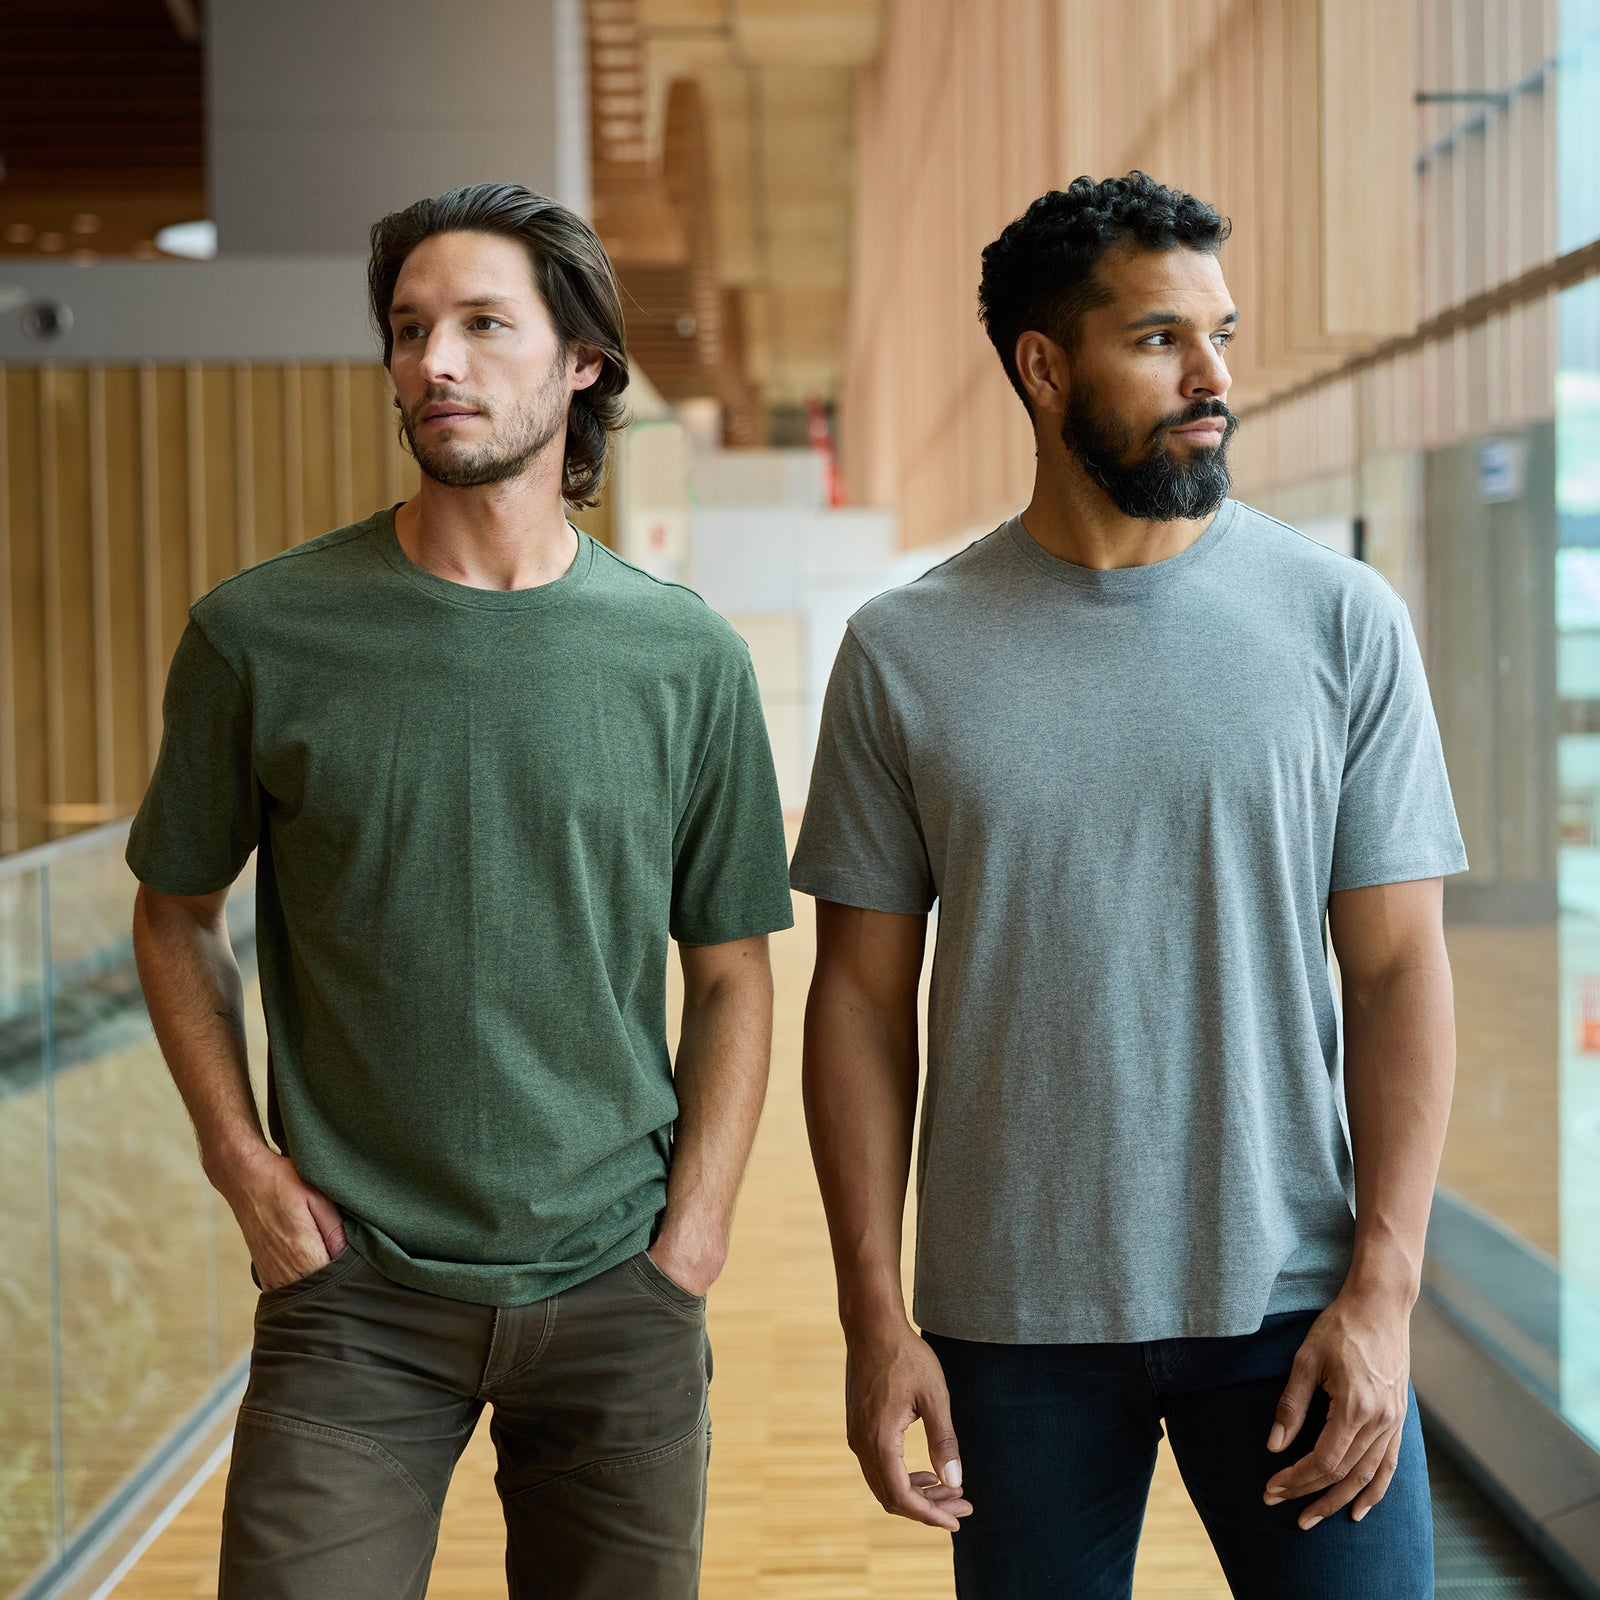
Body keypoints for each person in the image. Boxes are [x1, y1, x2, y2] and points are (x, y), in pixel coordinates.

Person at [791, 172, 1464, 1599]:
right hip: (1011, 1329)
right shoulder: (904, 652)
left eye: (1222, 334)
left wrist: (1387, 1295)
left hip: (1297, 1312)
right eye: (1162, 339)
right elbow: (856, 1000)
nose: (1214, 376)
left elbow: (1400, 967)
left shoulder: (1340, 621)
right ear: (1044, 368)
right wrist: (873, 1314)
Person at [128, 181, 793, 1600]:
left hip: (621, 1283)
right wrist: (242, 1165)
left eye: (485, 325)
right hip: (351, 1292)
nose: (436, 361)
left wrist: (700, 1228)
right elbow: (174, 914)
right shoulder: (260, 635)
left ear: (584, 360)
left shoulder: (685, 662)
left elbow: (734, 965)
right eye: (411, 327)